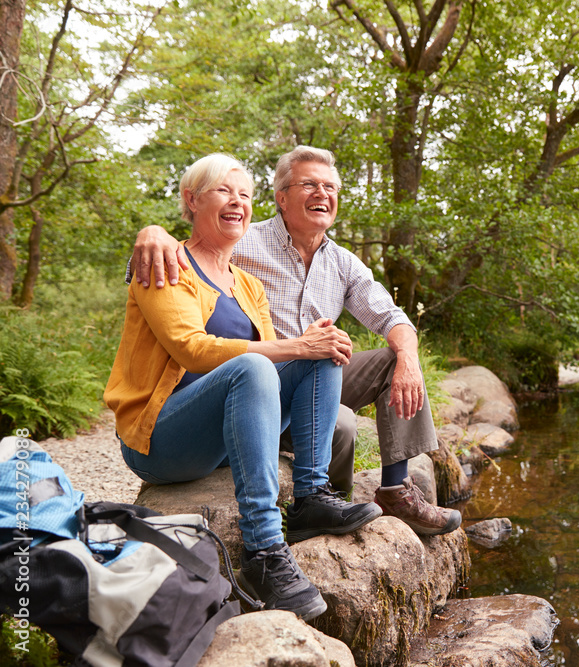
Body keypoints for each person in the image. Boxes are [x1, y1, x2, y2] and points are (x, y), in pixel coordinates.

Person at [105, 154, 382, 621]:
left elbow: (279, 368)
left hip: (219, 437)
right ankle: (264, 550)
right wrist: (150, 230)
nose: (237, 202)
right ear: (191, 201)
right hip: (161, 438)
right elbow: (192, 350)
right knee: (260, 362)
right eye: (222, 191)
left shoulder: (249, 284)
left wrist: (312, 345)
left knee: (324, 349)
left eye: (245, 195)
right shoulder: (168, 264)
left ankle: (311, 497)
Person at [130, 146, 461, 536]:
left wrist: (408, 356)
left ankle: (389, 491)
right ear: (281, 198)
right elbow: (195, 248)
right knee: (343, 422)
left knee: (389, 355)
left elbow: (391, 316)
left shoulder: (343, 263)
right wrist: (153, 233)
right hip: (246, 380)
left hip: (309, 377)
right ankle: (315, 503)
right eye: (309, 185)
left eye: (330, 187)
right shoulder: (244, 239)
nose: (322, 194)